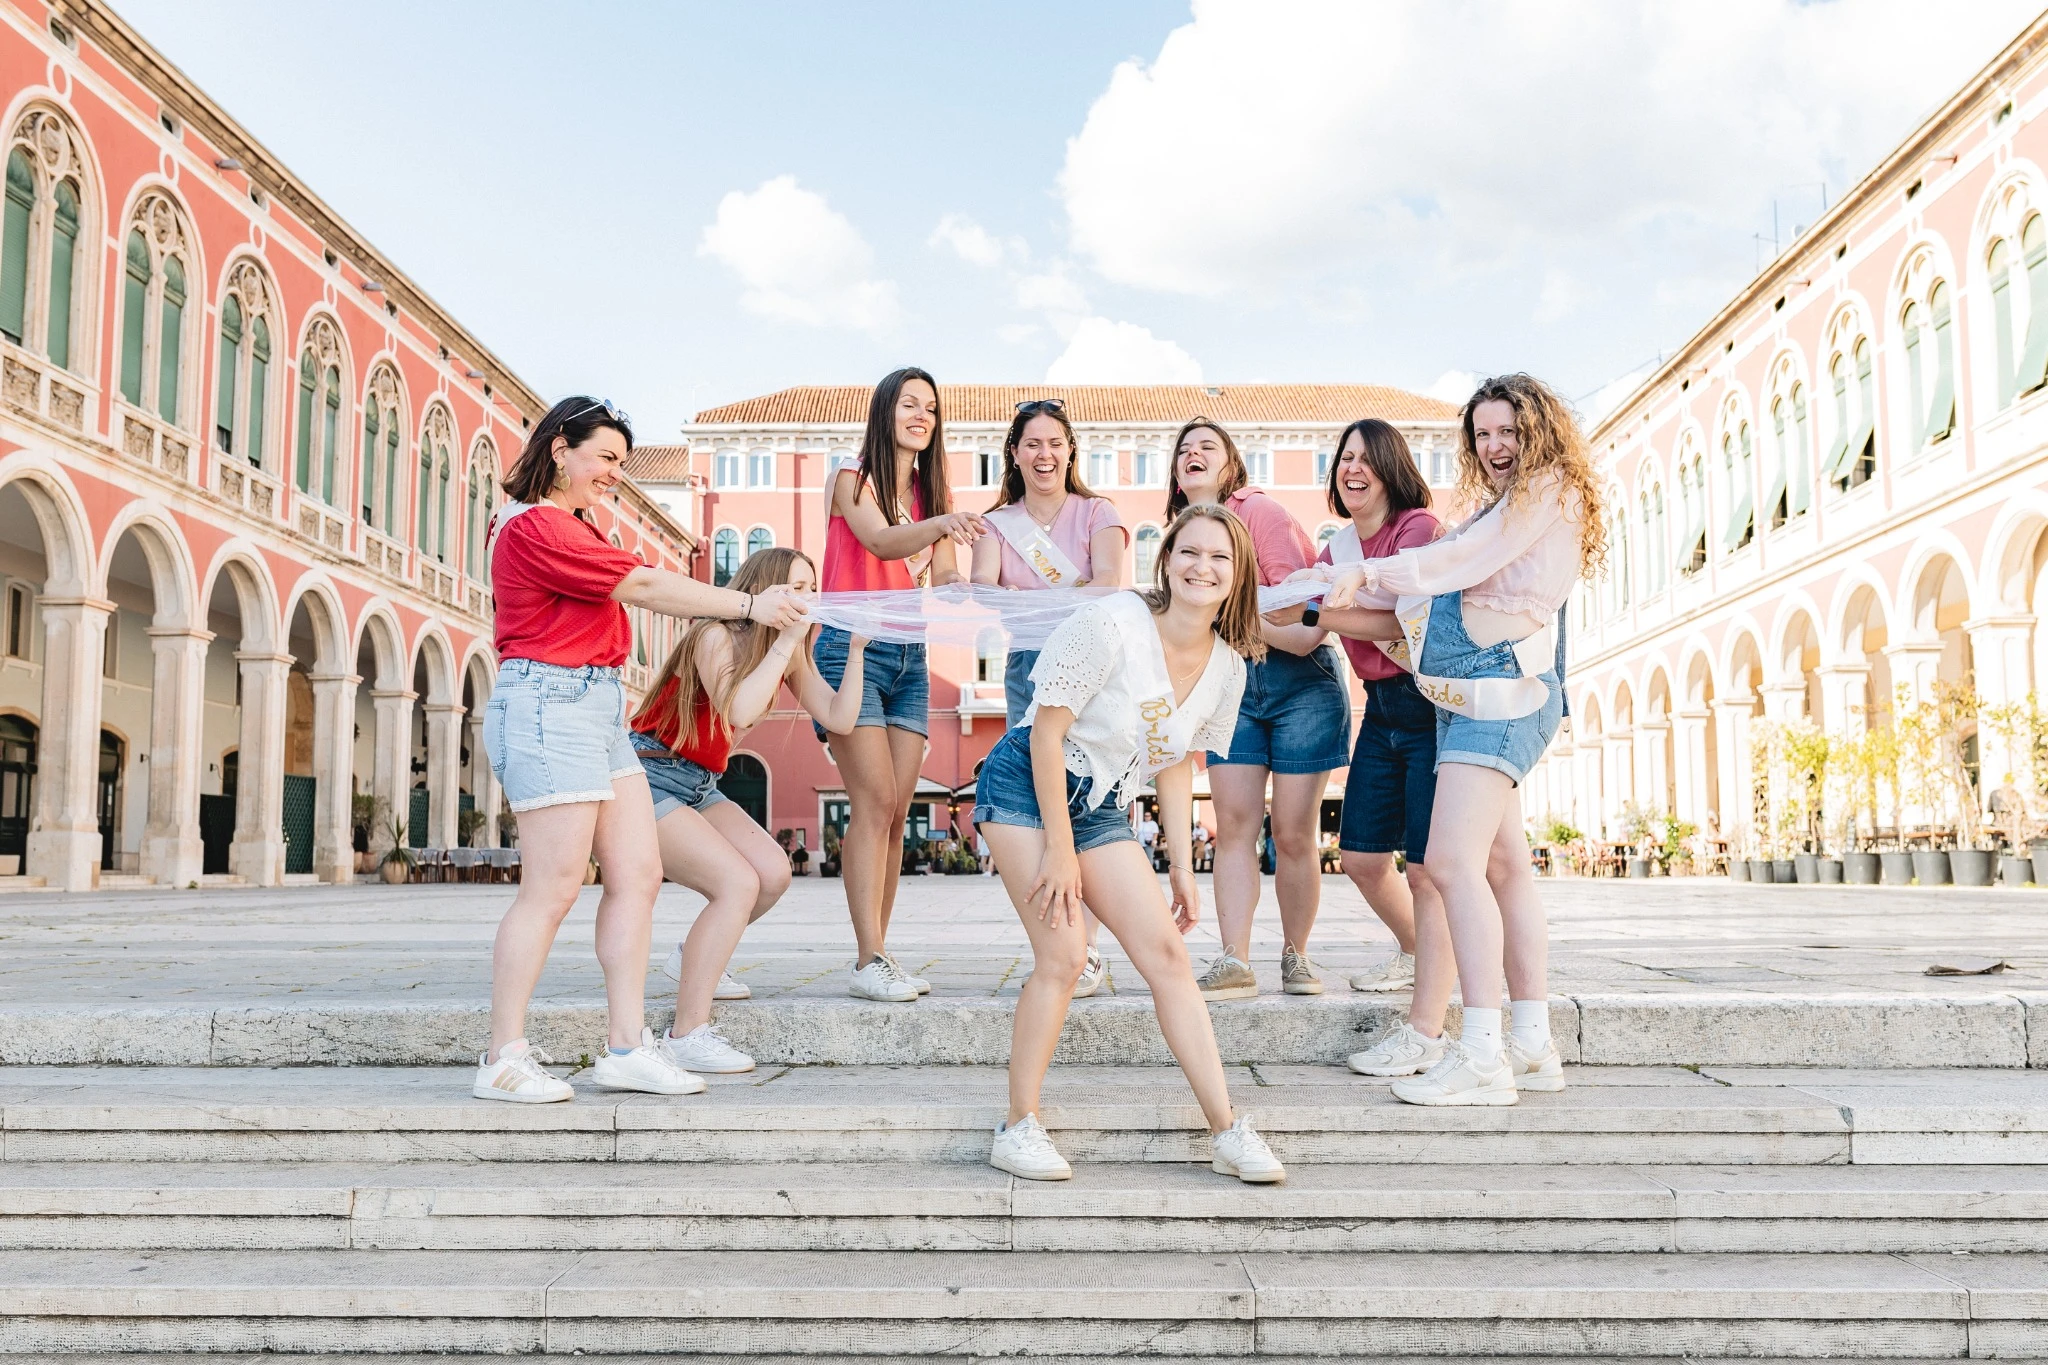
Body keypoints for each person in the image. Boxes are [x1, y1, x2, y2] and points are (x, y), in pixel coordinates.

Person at [474, 396, 808, 1104]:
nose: (615, 474)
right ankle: (503, 1057)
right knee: (554, 885)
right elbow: (647, 585)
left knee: (640, 873)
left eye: (622, 462)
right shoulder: (534, 524)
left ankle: (627, 1047)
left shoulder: (572, 525)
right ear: (559, 449)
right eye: (605, 457)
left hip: (595, 706)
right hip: (549, 701)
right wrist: (751, 605)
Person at [1306, 374, 1607, 1106]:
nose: (1496, 446)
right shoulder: (1509, 502)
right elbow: (1438, 579)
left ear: (1539, 432)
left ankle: (1480, 1053)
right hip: (1480, 691)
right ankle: (1530, 1043)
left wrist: (1363, 570)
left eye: (1509, 431)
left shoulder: (1546, 490)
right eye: (1483, 434)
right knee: (1504, 867)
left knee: (1447, 863)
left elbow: (1458, 564)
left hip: (1500, 690)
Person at [974, 504, 1284, 1184]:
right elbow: (1046, 733)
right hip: (1028, 783)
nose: (1203, 566)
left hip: (1102, 801)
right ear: (1166, 559)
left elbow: (1173, 761)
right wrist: (1060, 850)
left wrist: (1181, 869)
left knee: (1169, 957)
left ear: (1239, 575)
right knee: (1065, 955)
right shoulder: (1112, 622)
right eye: (1190, 551)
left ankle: (1228, 1130)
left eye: (1221, 557)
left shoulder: (1228, 669)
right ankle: (1017, 1125)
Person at [633, 547, 868, 1075]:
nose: (808, 599)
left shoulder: (786, 651)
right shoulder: (714, 635)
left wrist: (856, 652)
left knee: (773, 873)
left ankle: (693, 956)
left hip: (700, 781)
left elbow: (840, 718)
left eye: (812, 588)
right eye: (797, 588)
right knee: (737, 883)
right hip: (649, 772)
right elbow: (738, 709)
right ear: (763, 590)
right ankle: (686, 1034)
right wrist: (786, 642)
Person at [1166, 418, 1349, 1000]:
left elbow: (1301, 614)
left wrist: (1229, 615)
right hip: (1233, 686)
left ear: (1231, 464)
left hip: (1300, 683)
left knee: (1294, 833)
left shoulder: (1260, 512)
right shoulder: (1179, 534)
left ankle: (1296, 955)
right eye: (1184, 449)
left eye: (1207, 446)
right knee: (1234, 828)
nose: (1192, 454)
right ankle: (1234, 960)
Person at [817, 366, 984, 1002]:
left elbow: (943, 577)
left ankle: (879, 954)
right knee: (875, 801)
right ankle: (868, 959)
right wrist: (942, 524)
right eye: (909, 404)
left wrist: (973, 581)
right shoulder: (850, 476)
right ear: (884, 410)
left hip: (911, 655)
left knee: (895, 814)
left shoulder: (929, 495)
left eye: (931, 408)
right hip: (850, 647)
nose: (922, 416)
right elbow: (882, 542)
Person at [1298, 420, 1458, 1080]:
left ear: (1391, 466)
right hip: (1379, 705)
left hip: (1429, 703)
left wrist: (1318, 611)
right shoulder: (1336, 547)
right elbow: (1309, 627)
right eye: (1344, 458)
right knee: (1362, 856)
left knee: (1425, 870)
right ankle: (1418, 951)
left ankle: (1429, 1020)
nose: (1351, 468)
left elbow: (1403, 619)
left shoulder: (1417, 529)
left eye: (1365, 458)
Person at [970, 397, 1127, 997]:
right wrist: (1046, 599)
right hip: (1027, 667)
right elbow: (984, 587)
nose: (1045, 454)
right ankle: (1062, 944)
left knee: (1090, 790)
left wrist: (1032, 599)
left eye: (1055, 443)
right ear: (1014, 453)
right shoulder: (997, 524)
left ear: (1070, 451)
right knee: (1043, 796)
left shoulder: (1098, 512)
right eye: (1032, 444)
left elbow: (1109, 583)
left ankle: (1091, 949)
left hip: (1093, 662)